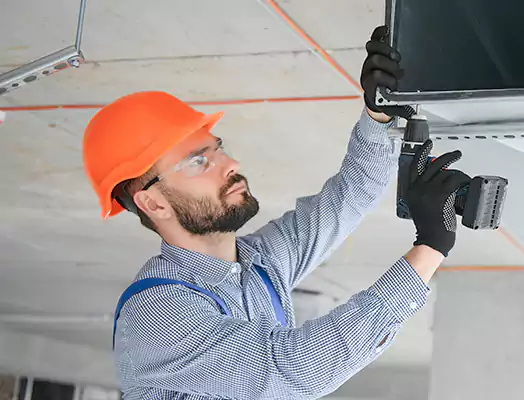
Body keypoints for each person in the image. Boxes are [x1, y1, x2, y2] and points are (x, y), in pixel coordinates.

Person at [82, 26, 471, 400]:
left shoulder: (260, 263)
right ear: (154, 203)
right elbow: (293, 370)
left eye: (218, 148)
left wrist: (377, 113)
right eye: (199, 162)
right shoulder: (156, 313)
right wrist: (430, 247)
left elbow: (349, 196)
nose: (230, 162)